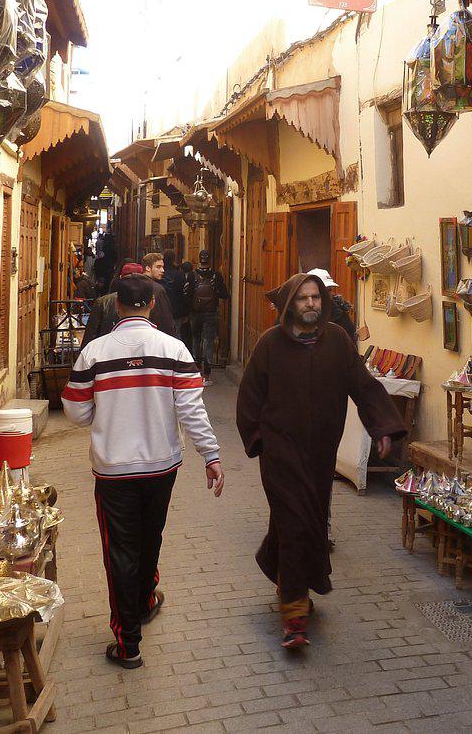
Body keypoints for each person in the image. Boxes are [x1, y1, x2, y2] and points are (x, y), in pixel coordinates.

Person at [61, 274, 225, 669]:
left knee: (120, 550)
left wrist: (110, 410)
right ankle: (146, 599)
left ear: (117, 305)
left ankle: (128, 642)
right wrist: (212, 454)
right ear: (152, 304)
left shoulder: (95, 353)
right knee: (151, 536)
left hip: (114, 470)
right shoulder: (175, 350)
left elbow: (76, 410)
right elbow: (191, 409)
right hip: (160, 466)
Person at [236, 273, 407, 649]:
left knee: (304, 520)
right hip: (280, 453)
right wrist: (259, 439)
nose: (311, 303)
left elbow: (364, 386)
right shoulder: (270, 344)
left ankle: (278, 568)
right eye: (303, 299)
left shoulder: (338, 342)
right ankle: (294, 617)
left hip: (320, 454)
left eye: (315, 297)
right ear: (290, 305)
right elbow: (249, 397)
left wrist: (382, 428)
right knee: (296, 523)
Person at [80, 261, 177, 349]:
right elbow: (166, 324)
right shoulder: (154, 295)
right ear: (152, 303)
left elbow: (90, 338)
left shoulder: (104, 302)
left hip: (108, 352)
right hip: (150, 349)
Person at [190, 250, 228, 383]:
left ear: (199, 259)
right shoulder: (216, 275)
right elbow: (224, 294)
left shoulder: (192, 275)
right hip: (211, 313)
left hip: (195, 314)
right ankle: (206, 375)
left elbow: (187, 294)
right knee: (208, 342)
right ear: (210, 260)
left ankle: (195, 373)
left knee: (195, 340)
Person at [306, 268, 356, 342]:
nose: (326, 294)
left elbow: (349, 347)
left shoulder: (340, 316)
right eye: (321, 290)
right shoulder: (297, 315)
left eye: (329, 290)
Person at [161, 251, 194, 350]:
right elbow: (184, 294)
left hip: (163, 310)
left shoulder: (161, 274)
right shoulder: (179, 274)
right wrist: (186, 312)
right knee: (176, 334)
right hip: (177, 310)